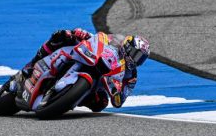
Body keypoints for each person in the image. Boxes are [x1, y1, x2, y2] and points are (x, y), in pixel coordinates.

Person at [14, 28, 149, 112]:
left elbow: (119, 101)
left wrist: (116, 93)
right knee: (60, 36)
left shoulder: (131, 76)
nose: (136, 60)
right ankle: (31, 65)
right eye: (136, 54)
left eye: (140, 59)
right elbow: (99, 38)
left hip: (99, 83)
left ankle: (69, 99)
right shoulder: (115, 42)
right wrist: (81, 33)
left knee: (101, 103)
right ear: (128, 46)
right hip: (90, 57)